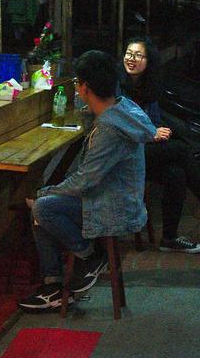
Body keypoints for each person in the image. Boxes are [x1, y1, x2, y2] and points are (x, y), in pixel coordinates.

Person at [19, 49, 157, 312]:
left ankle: (90, 256)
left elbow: (85, 181)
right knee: (44, 204)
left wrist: (46, 192)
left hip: (113, 208)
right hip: (117, 197)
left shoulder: (108, 128)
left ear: (83, 87)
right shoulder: (123, 107)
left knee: (43, 206)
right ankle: (54, 285)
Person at [120, 37, 200, 254]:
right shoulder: (117, 86)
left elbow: (154, 121)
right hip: (125, 150)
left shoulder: (150, 88)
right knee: (181, 150)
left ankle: (169, 239)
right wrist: (150, 133)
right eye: (129, 54)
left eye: (138, 55)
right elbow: (118, 123)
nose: (131, 59)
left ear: (149, 61)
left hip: (143, 151)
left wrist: (157, 131)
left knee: (176, 173)